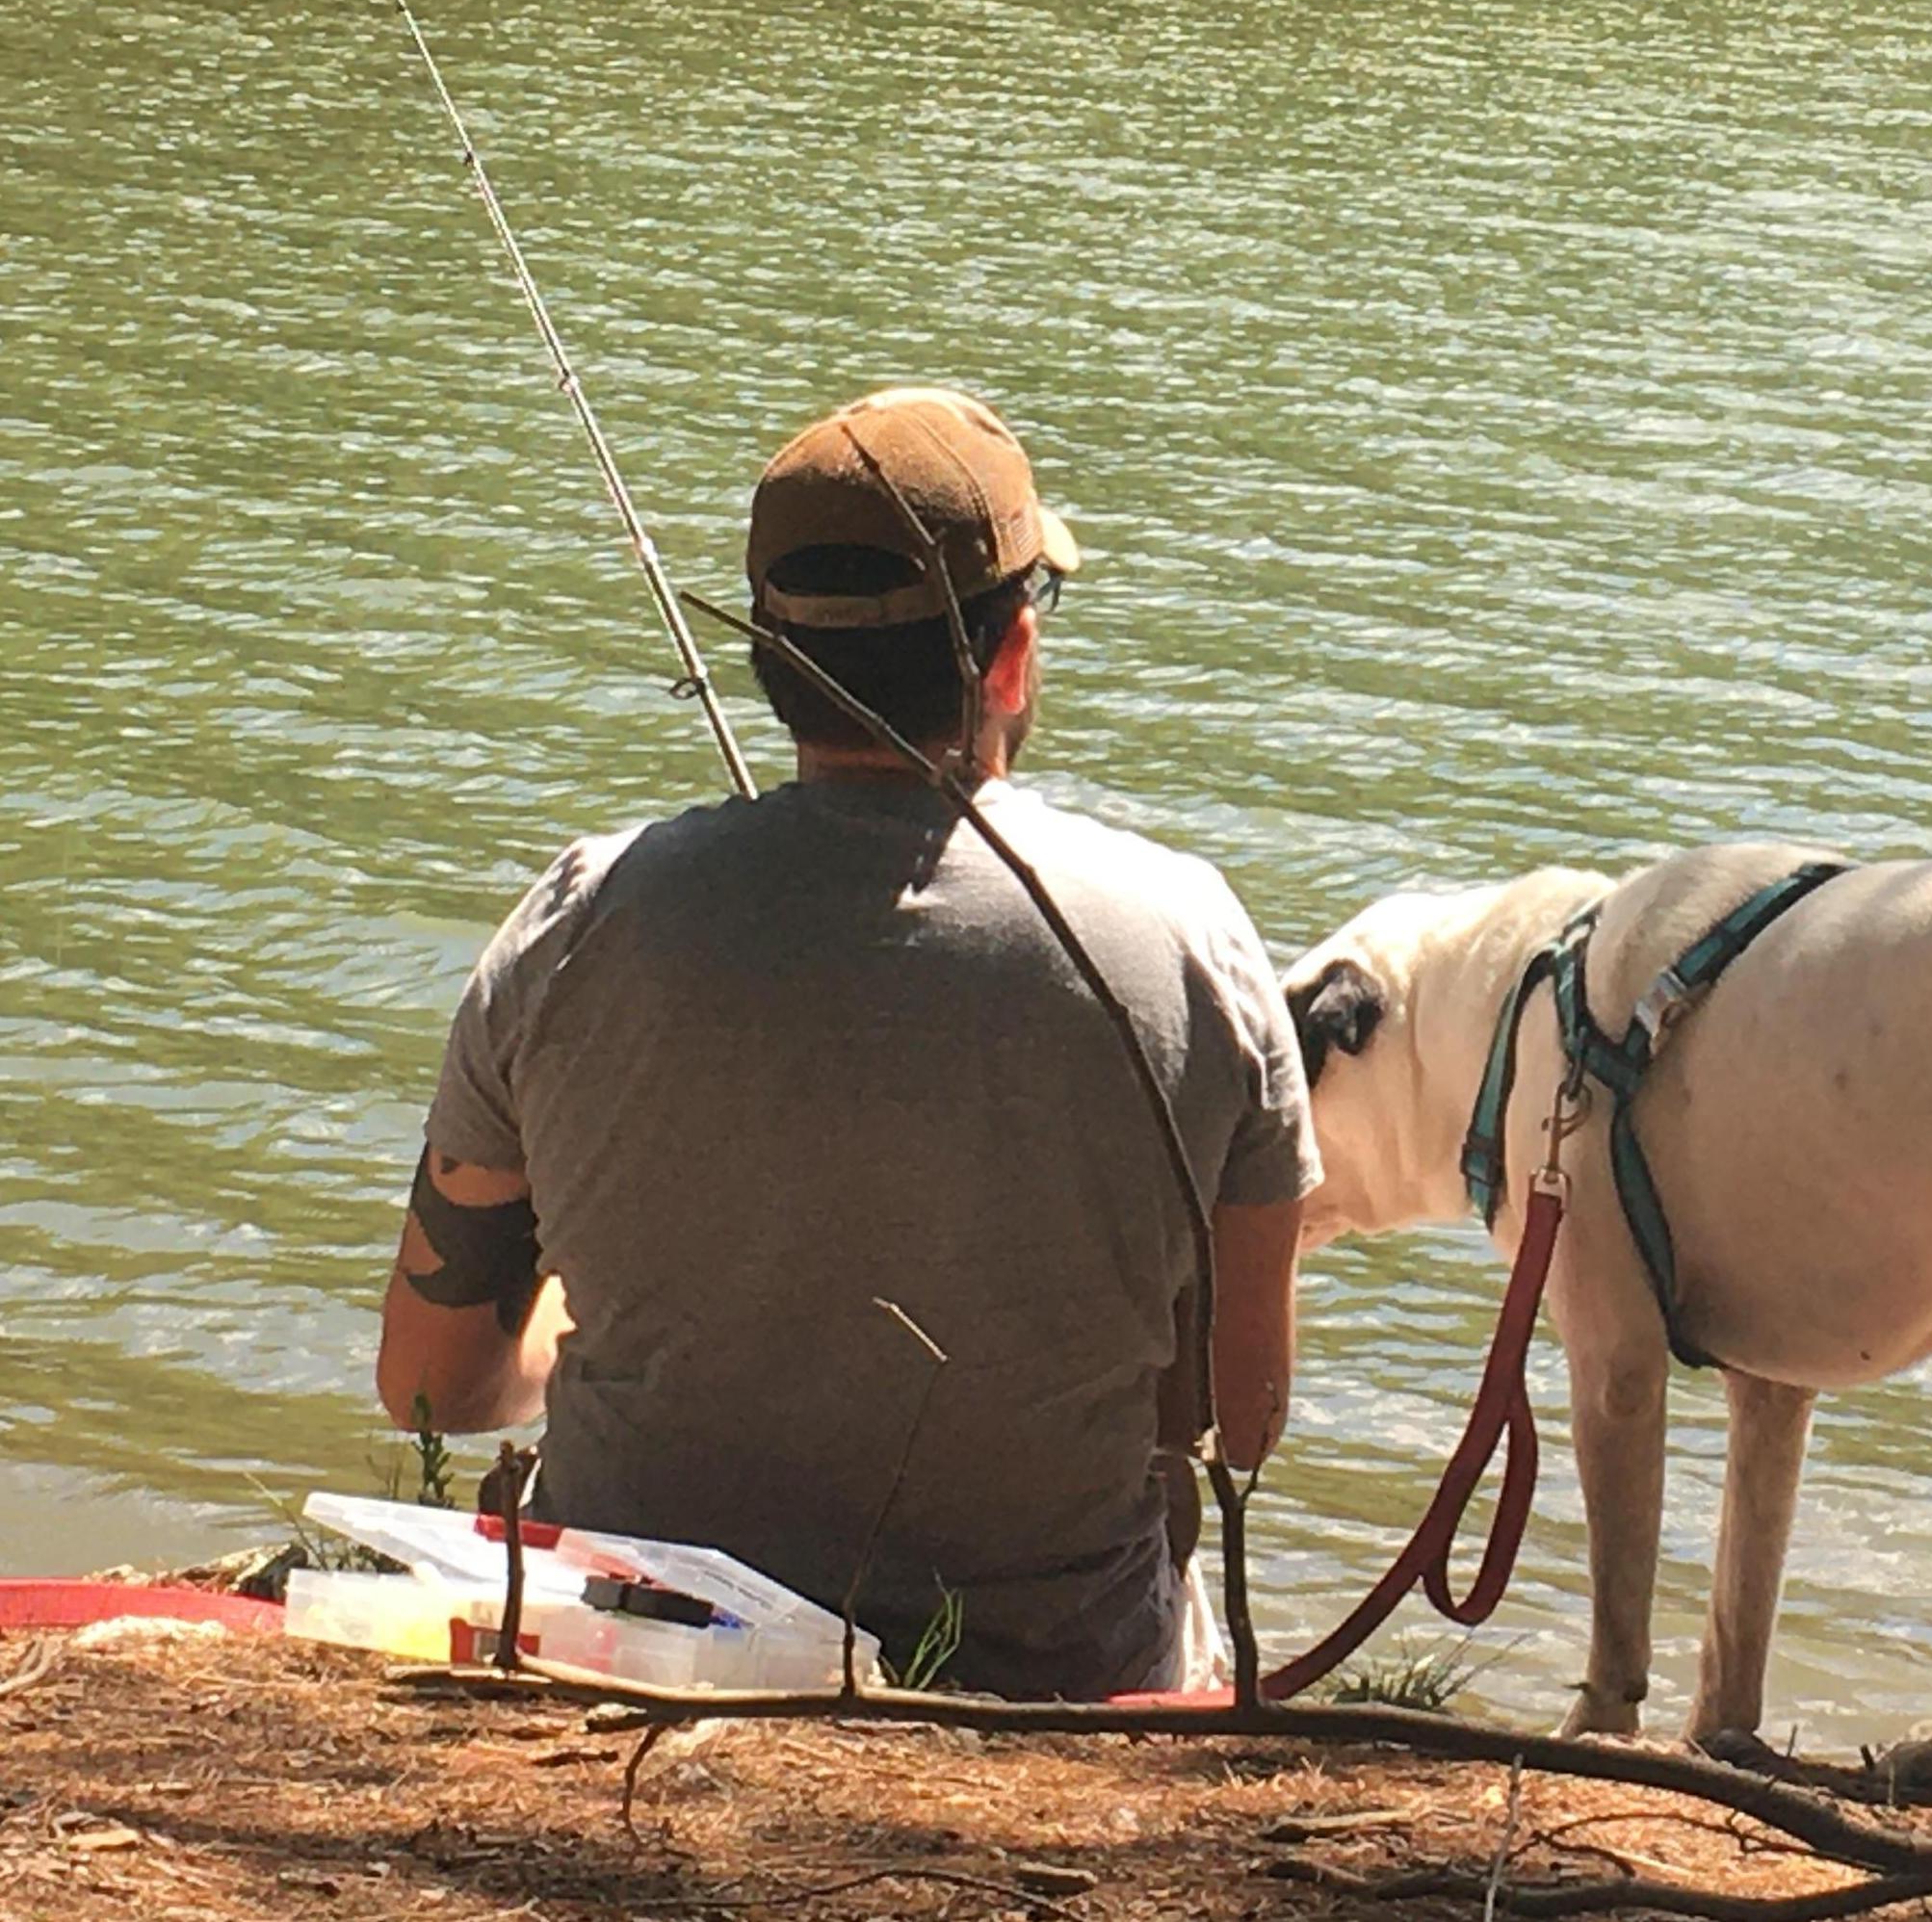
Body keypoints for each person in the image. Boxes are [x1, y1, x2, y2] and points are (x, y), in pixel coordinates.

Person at [376, 385, 1318, 1698]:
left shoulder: (576, 917)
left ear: (768, 653)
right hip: (1054, 1684)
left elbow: (435, 1386)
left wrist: (597, 1317)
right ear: (1011, 654)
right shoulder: (1193, 937)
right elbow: (1241, 1411)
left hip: (637, 1662)